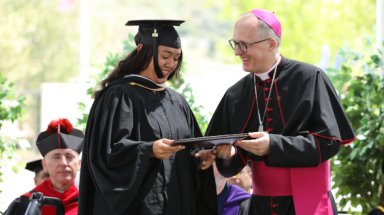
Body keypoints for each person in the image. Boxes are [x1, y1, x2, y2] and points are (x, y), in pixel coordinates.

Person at [207, 9, 356, 215]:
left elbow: (329, 142)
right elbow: (225, 151)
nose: (237, 52)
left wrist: (272, 146)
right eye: (235, 44)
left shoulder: (311, 78)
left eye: (244, 45)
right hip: (261, 207)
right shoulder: (236, 94)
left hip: (309, 203)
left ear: (271, 44)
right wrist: (228, 155)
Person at [78, 20, 217, 215]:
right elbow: (106, 154)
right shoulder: (119, 96)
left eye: (176, 58)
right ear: (143, 49)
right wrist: (149, 150)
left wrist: (199, 158)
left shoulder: (177, 101)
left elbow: (186, 152)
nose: (171, 64)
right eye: (165, 56)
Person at [4, 118, 84, 215]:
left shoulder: (92, 200)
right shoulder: (26, 203)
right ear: (45, 165)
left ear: (79, 164)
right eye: (56, 157)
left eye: (69, 156)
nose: (63, 163)